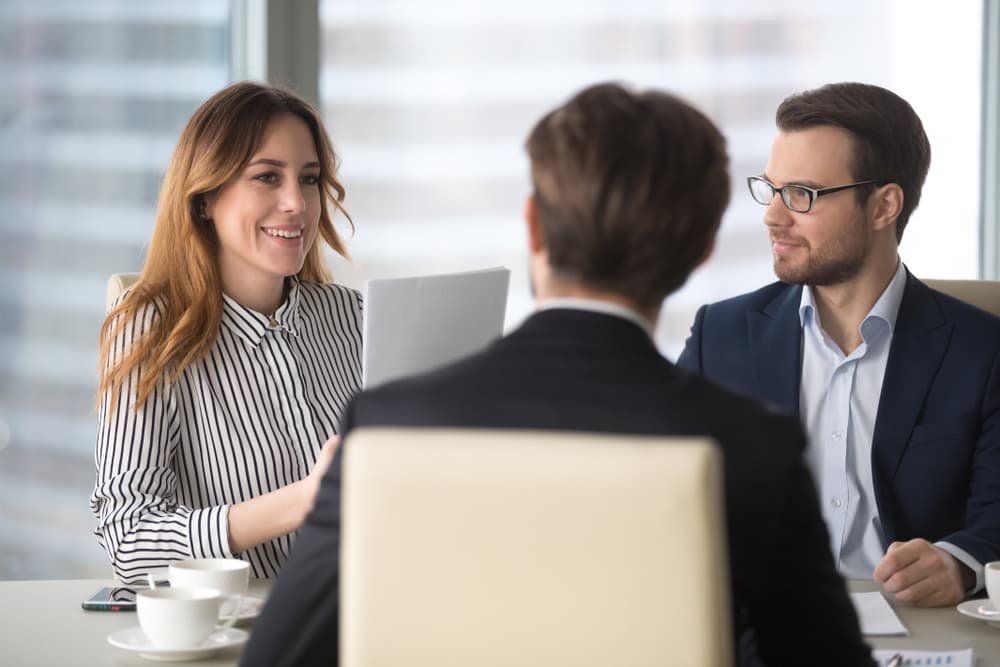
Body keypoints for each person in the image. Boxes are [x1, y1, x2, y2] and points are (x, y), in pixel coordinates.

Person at [244, 82, 873, 667]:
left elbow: (279, 655)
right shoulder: (752, 446)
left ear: (533, 225)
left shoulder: (389, 425)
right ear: (702, 248)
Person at [678, 82, 1000, 608]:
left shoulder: (982, 351)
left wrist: (957, 563)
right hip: (762, 623)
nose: (773, 216)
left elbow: (997, 515)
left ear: (883, 207)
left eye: (801, 195)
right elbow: (664, 488)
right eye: (771, 188)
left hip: (916, 625)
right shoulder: (723, 335)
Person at [90, 82, 363, 583]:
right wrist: (303, 501)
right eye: (266, 177)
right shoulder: (149, 329)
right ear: (204, 200)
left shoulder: (352, 318)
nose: (296, 204)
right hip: (248, 638)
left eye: (307, 179)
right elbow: (129, 538)